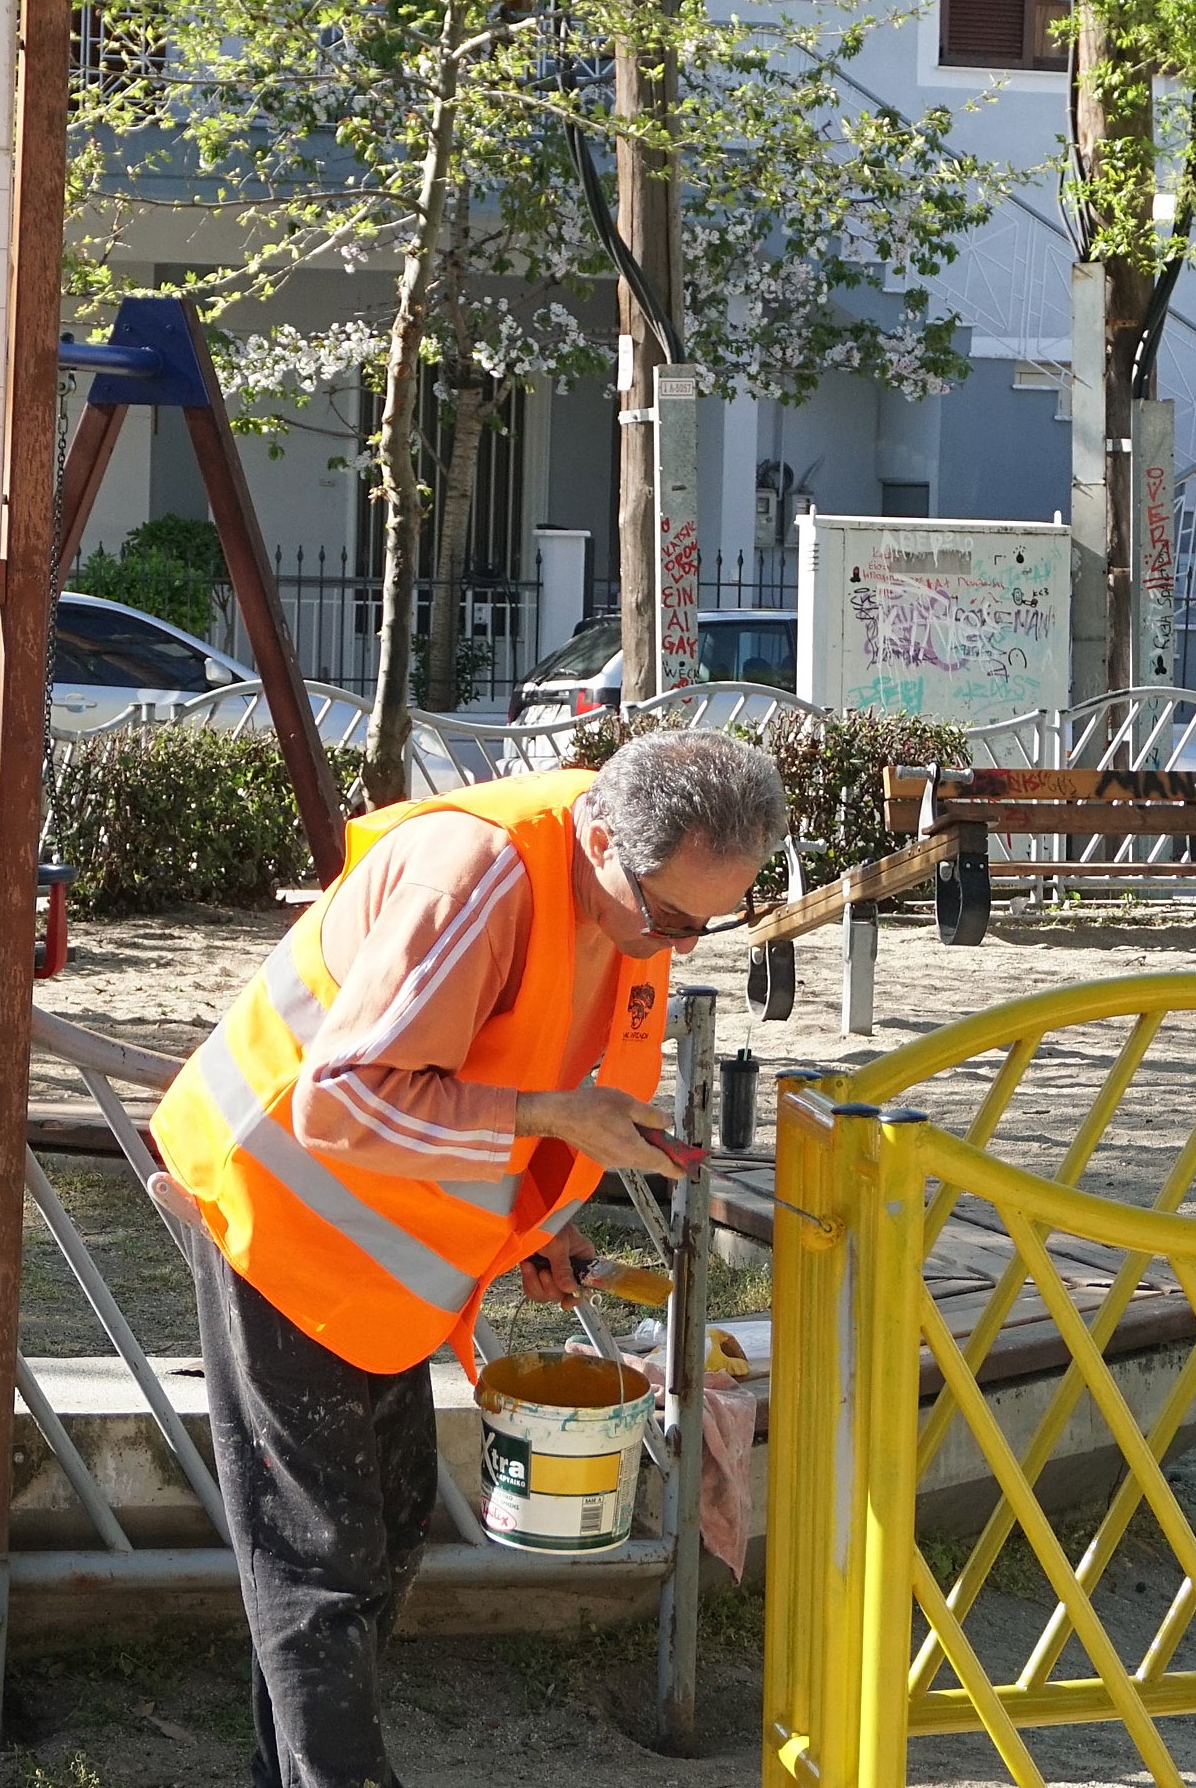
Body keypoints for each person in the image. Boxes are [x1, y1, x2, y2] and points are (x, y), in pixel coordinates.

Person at [150, 728, 790, 1788]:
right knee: (322, 1555)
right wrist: (553, 1119)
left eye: (707, 923)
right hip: (279, 1213)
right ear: (598, 835)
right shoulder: (480, 878)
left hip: (368, 1256)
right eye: (670, 916)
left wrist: (541, 1220)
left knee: (385, 1529)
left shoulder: (614, 874)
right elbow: (342, 1100)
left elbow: (516, 1050)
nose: (674, 939)